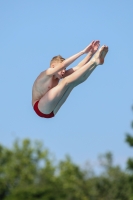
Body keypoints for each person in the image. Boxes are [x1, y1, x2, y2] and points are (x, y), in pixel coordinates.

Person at [32, 40, 108, 118]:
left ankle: (96, 63)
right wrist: (82, 52)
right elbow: (62, 65)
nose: (64, 71)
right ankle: (94, 62)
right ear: (53, 66)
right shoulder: (47, 73)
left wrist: (91, 53)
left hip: (52, 112)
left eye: (65, 69)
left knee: (73, 83)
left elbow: (78, 67)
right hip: (39, 108)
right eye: (62, 69)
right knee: (65, 81)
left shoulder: (58, 75)